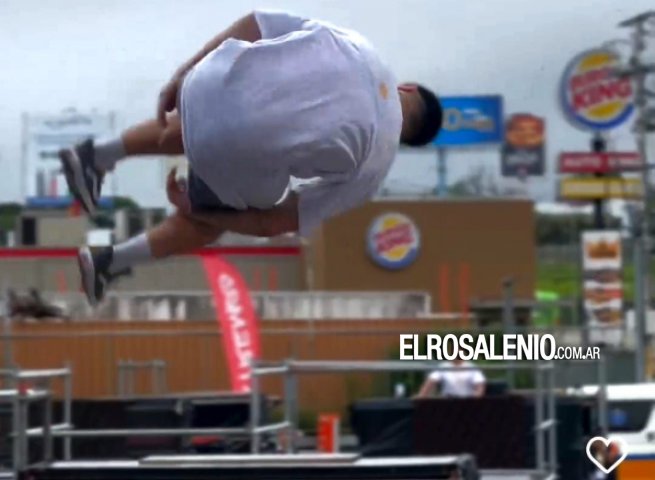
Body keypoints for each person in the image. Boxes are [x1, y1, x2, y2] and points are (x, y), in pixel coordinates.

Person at [58, 10, 443, 305]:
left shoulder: (359, 46)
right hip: (230, 156)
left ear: (406, 87)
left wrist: (183, 74)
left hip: (209, 83)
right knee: (226, 204)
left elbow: (255, 21)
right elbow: (274, 223)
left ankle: (94, 155)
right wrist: (202, 212)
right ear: (406, 140)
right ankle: (109, 261)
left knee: (208, 113)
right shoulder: (375, 167)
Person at [416, 355, 486, 398]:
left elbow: (480, 386)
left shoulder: (471, 367)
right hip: (448, 400)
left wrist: (475, 401)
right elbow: (431, 382)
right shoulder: (444, 366)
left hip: (467, 400)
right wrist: (421, 396)